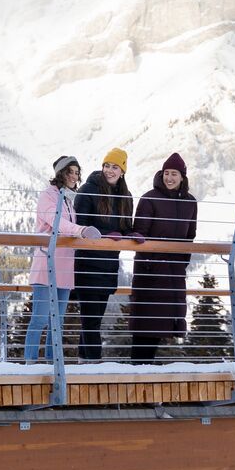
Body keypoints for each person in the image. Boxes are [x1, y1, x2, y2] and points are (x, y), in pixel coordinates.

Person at [24, 156, 99, 363]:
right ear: (60, 173)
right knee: (39, 318)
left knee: (57, 320)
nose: (74, 176)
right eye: (70, 172)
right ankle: (29, 363)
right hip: (47, 263)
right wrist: (81, 230)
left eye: (76, 172)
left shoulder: (68, 198)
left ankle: (53, 361)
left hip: (65, 266)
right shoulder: (48, 196)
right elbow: (57, 223)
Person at [128, 152, 199, 363]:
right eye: (166, 173)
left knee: (160, 327)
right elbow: (139, 233)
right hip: (150, 273)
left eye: (174, 174)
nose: (169, 178)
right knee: (145, 329)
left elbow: (190, 236)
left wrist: (181, 263)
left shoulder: (190, 202)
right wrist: (150, 261)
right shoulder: (150, 198)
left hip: (174, 274)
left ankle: (146, 376)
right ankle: (137, 373)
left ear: (182, 177)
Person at [72, 148, 140, 361]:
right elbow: (79, 227)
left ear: (123, 171)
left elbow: (124, 226)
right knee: (91, 321)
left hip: (109, 266)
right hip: (87, 264)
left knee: (93, 320)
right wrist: (102, 235)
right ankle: (93, 365)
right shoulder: (88, 191)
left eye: (115, 167)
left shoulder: (125, 196)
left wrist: (132, 234)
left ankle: (84, 362)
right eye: (107, 165)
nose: (110, 170)